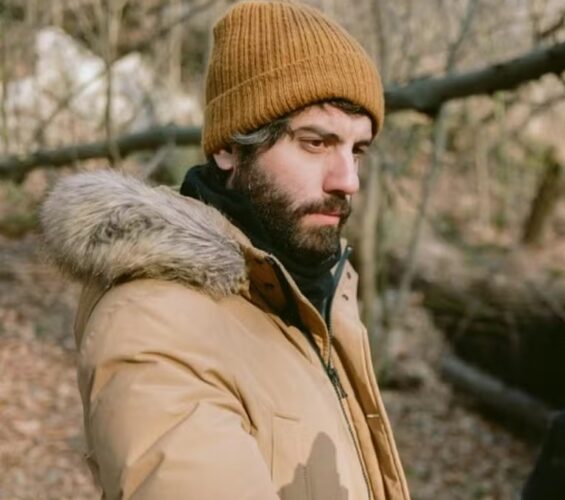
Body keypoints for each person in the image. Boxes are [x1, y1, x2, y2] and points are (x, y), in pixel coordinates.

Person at [40, 2, 409, 499]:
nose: (348, 181)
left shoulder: (309, 292)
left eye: (357, 149)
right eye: (316, 143)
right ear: (229, 148)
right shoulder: (156, 323)